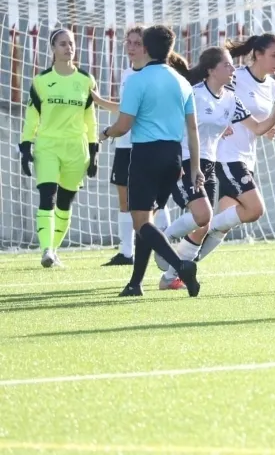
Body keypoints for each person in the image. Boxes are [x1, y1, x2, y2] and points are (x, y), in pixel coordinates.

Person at [156, 45, 275, 288]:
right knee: (202, 217)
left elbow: (257, 128)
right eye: (227, 65)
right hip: (186, 161)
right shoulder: (194, 95)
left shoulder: (231, 99)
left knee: (205, 223)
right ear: (211, 70)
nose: (232, 69)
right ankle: (162, 241)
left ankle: (169, 278)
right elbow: (173, 125)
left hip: (208, 165)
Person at [98, 24, 201, 297]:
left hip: (146, 155)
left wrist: (105, 133)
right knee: (147, 221)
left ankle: (181, 266)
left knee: (141, 223)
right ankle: (135, 284)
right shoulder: (181, 81)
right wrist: (195, 168)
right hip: (174, 157)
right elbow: (193, 129)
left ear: (146, 47)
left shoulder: (137, 79)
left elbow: (123, 125)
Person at [192, 34, 275, 264]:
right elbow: (213, 96)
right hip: (226, 155)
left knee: (223, 225)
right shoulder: (236, 77)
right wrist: (219, 123)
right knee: (254, 209)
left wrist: (269, 128)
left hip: (247, 158)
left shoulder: (273, 86)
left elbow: (255, 122)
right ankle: (187, 245)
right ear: (258, 54)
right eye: (274, 55)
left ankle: (182, 267)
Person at [18, 28, 100, 268]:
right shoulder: (41, 81)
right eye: (63, 44)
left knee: (64, 203)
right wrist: (25, 146)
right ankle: (46, 250)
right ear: (53, 48)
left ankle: (53, 250)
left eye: (71, 43)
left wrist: (94, 150)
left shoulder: (86, 80)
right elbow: (31, 117)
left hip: (76, 148)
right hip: (48, 146)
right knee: (48, 196)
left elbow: (90, 119)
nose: (68, 48)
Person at [92, 26, 146, 266]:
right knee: (124, 200)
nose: (131, 48)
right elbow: (125, 109)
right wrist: (99, 101)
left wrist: (108, 132)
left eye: (137, 43)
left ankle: (162, 247)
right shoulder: (126, 74)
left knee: (151, 203)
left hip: (145, 146)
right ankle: (126, 252)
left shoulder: (152, 75)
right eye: (129, 42)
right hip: (124, 146)